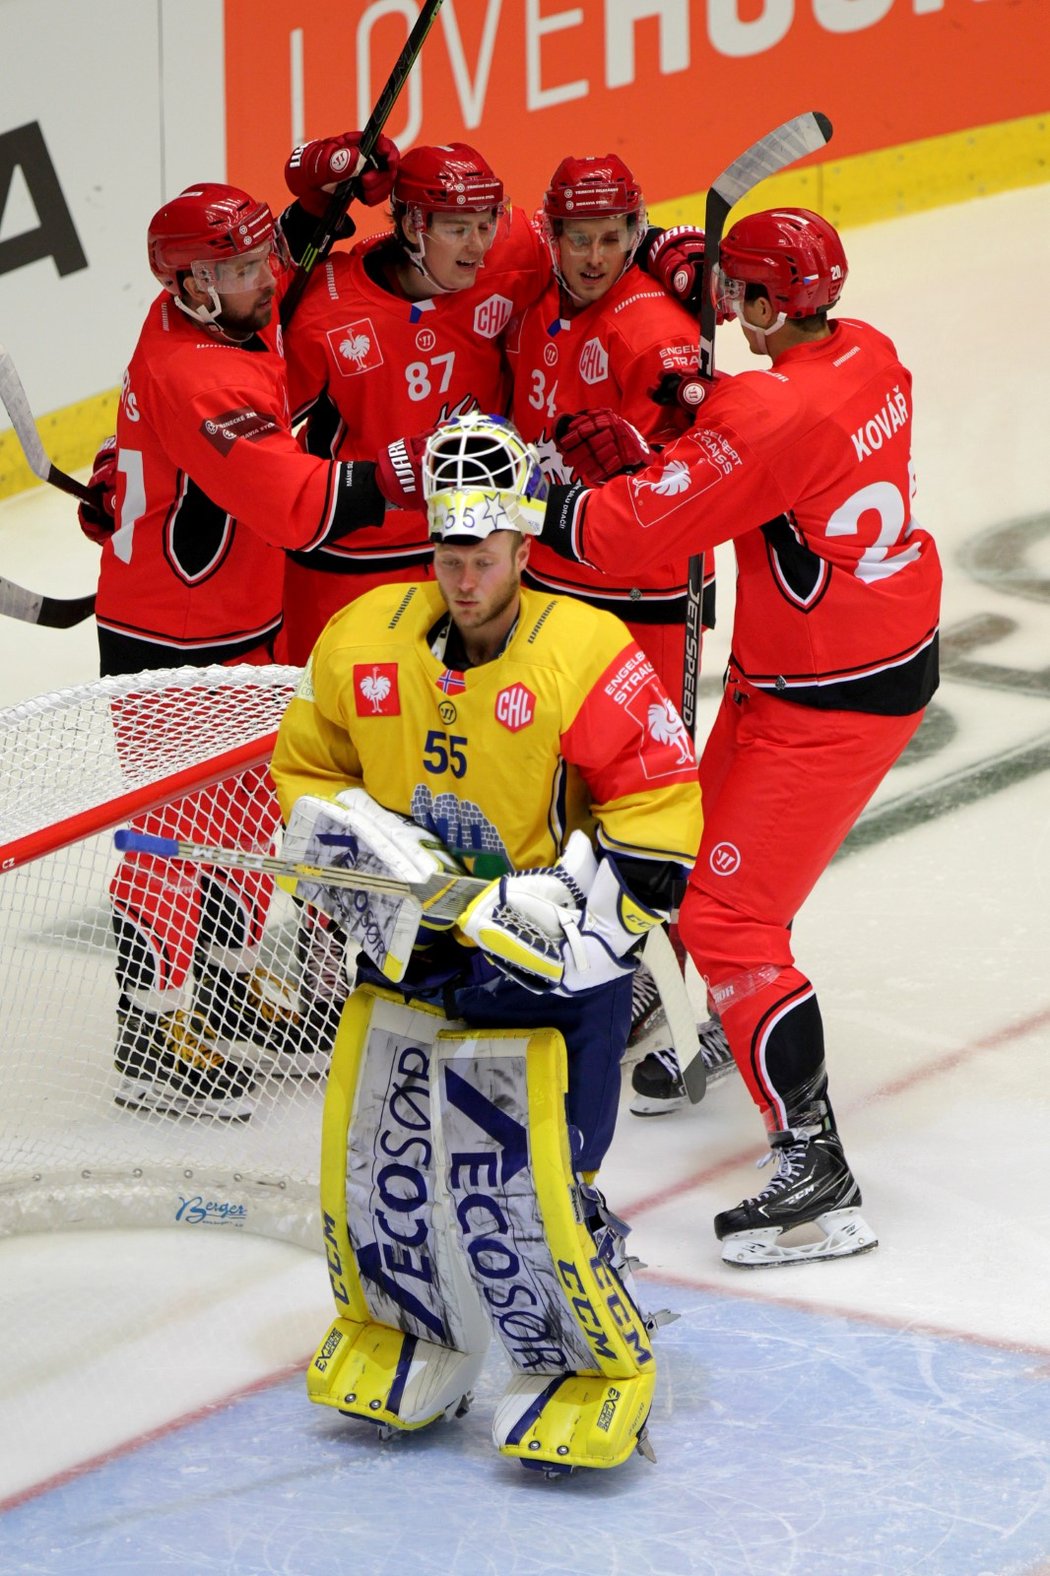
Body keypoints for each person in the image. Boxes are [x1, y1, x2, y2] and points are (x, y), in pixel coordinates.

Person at [269, 412, 702, 1467]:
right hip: (417, 950)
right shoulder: (364, 639)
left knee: (537, 1184)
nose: (464, 580)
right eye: (449, 556)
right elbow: (309, 773)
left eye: (485, 557)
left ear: (521, 545)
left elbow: (660, 813)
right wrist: (360, 864)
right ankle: (419, 1325)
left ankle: (591, 1356)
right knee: (393, 1165)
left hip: (546, 969)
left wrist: (568, 902)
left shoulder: (585, 652)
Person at [538, 208, 942, 1265]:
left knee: (724, 914)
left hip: (828, 693)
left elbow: (642, 527)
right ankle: (734, 1016)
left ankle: (816, 1170)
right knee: (688, 846)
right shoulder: (872, 356)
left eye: (739, 295)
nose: (728, 309)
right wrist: (695, 412)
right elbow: (763, 447)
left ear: (769, 304)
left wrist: (552, 499)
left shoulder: (763, 411)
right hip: (848, 648)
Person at [73, 154, 419, 1118]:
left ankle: (222, 991)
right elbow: (301, 506)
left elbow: (275, 282)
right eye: (242, 268)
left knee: (238, 814)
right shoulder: (193, 372)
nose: (267, 278)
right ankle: (153, 1029)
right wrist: (408, 463)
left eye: (265, 256)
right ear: (187, 285)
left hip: (238, 614)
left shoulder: (210, 309)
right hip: (167, 633)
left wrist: (315, 206)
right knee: (167, 838)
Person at [505, 153, 727, 1082]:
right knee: (573, 802)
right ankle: (606, 960)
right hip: (560, 589)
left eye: (610, 238)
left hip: (646, 598)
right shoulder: (540, 308)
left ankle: (683, 981)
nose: (593, 257)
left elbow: (710, 454)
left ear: (634, 232)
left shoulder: (655, 328)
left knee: (652, 802)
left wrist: (649, 452)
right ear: (551, 236)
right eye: (576, 238)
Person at [279, 140, 550, 665]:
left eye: (485, 222)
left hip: (469, 547)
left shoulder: (511, 254)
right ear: (411, 226)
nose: (477, 245)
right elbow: (252, 429)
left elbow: (594, 240)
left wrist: (663, 250)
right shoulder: (326, 312)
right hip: (349, 559)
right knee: (336, 730)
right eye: (456, 228)